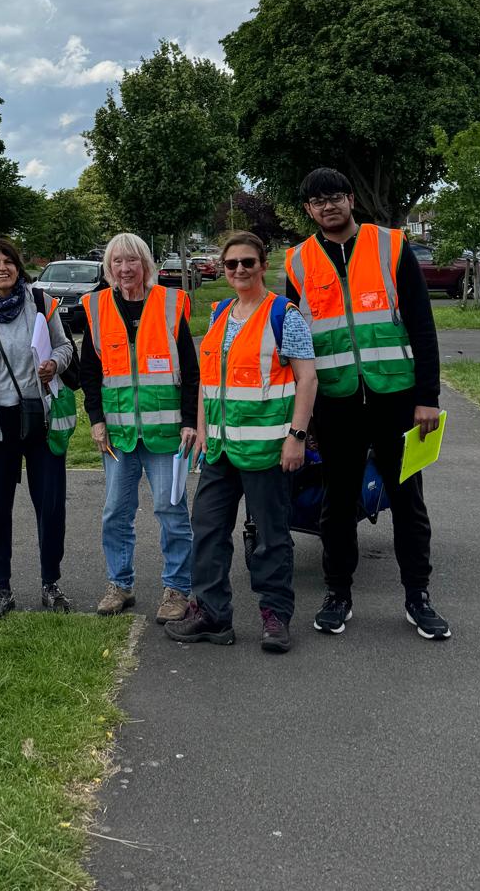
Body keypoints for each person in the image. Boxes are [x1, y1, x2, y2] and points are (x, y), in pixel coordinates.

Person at [286, 168, 450, 640]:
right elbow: (295, 343)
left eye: (335, 196)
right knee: (337, 502)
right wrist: (304, 415)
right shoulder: (298, 262)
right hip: (335, 403)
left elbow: (422, 325)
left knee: (407, 499)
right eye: (318, 201)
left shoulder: (391, 245)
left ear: (351, 199)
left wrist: (428, 398)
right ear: (308, 210)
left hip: (397, 397)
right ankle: (338, 594)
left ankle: (418, 596)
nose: (328, 206)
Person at [165, 231, 317, 653]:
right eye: (231, 264)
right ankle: (213, 615)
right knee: (209, 529)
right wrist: (199, 430)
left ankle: (275, 616)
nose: (238, 271)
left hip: (268, 450)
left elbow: (307, 379)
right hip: (220, 449)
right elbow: (208, 383)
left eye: (247, 262)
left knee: (270, 535)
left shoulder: (283, 315)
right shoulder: (218, 316)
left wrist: (296, 438)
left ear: (262, 264)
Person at [79, 233, 198, 625]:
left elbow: (191, 371)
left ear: (146, 264)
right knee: (116, 512)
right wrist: (95, 419)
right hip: (118, 435)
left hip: (165, 435)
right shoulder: (96, 308)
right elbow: (90, 373)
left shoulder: (170, 304)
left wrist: (189, 422)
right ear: (108, 268)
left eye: (132, 261)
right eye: (117, 262)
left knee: (171, 510)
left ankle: (177, 588)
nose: (125, 269)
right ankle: (120, 584)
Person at [0, 236, 78, 617]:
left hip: (39, 417)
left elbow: (65, 346)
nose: (2, 268)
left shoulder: (41, 303)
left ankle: (51, 582)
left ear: (18, 265)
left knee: (50, 503)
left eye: (7, 261)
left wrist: (54, 365)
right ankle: (2, 587)